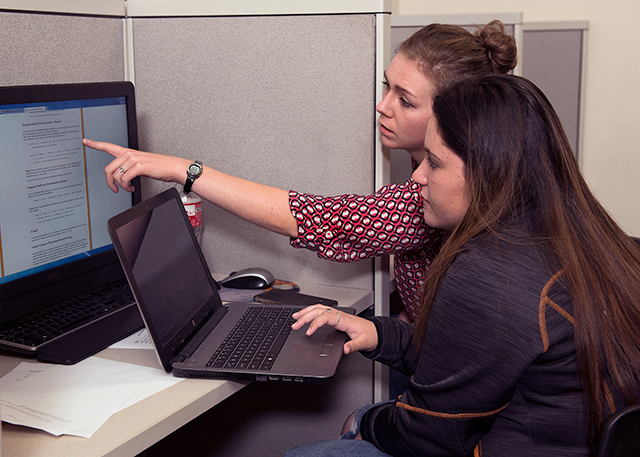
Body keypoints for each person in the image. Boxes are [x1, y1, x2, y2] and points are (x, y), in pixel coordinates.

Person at [284, 75, 640, 456]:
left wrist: (365, 424)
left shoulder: (493, 271)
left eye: (434, 163)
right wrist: (379, 334)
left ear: (490, 172)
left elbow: (429, 436)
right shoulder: (604, 241)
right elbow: (478, 358)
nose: (418, 177)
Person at [83, 21, 517, 324]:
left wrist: (183, 169)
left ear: (455, 115)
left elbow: (317, 217)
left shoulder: (441, 189)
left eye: (405, 100)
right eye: (388, 86)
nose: (382, 106)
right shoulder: (425, 163)